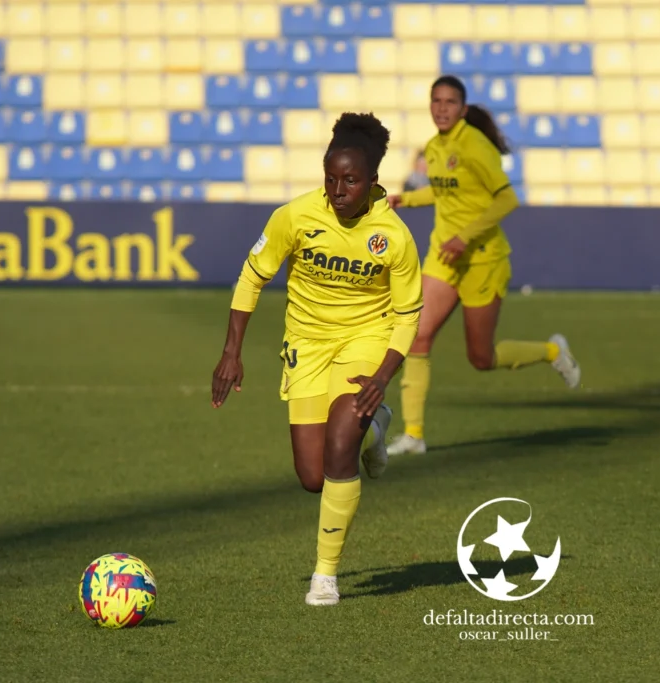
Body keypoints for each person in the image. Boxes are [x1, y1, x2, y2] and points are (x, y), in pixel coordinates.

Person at [210, 113, 423, 606]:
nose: (338, 190)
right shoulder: (296, 216)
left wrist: (384, 375)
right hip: (306, 345)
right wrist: (231, 353)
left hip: (366, 341)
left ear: (373, 180)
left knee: (339, 442)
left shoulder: (393, 236)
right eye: (331, 178)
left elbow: (408, 315)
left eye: (350, 180)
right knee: (313, 476)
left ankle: (325, 576)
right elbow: (251, 276)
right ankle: (376, 428)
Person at [384, 74, 581, 456]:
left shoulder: (475, 145)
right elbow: (443, 190)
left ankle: (553, 352)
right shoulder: (433, 147)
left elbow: (507, 200)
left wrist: (465, 237)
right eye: (436, 101)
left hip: (483, 261)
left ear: (462, 108)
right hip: (443, 259)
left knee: (481, 357)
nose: (441, 109)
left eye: (449, 102)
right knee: (417, 336)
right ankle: (413, 434)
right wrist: (406, 200)